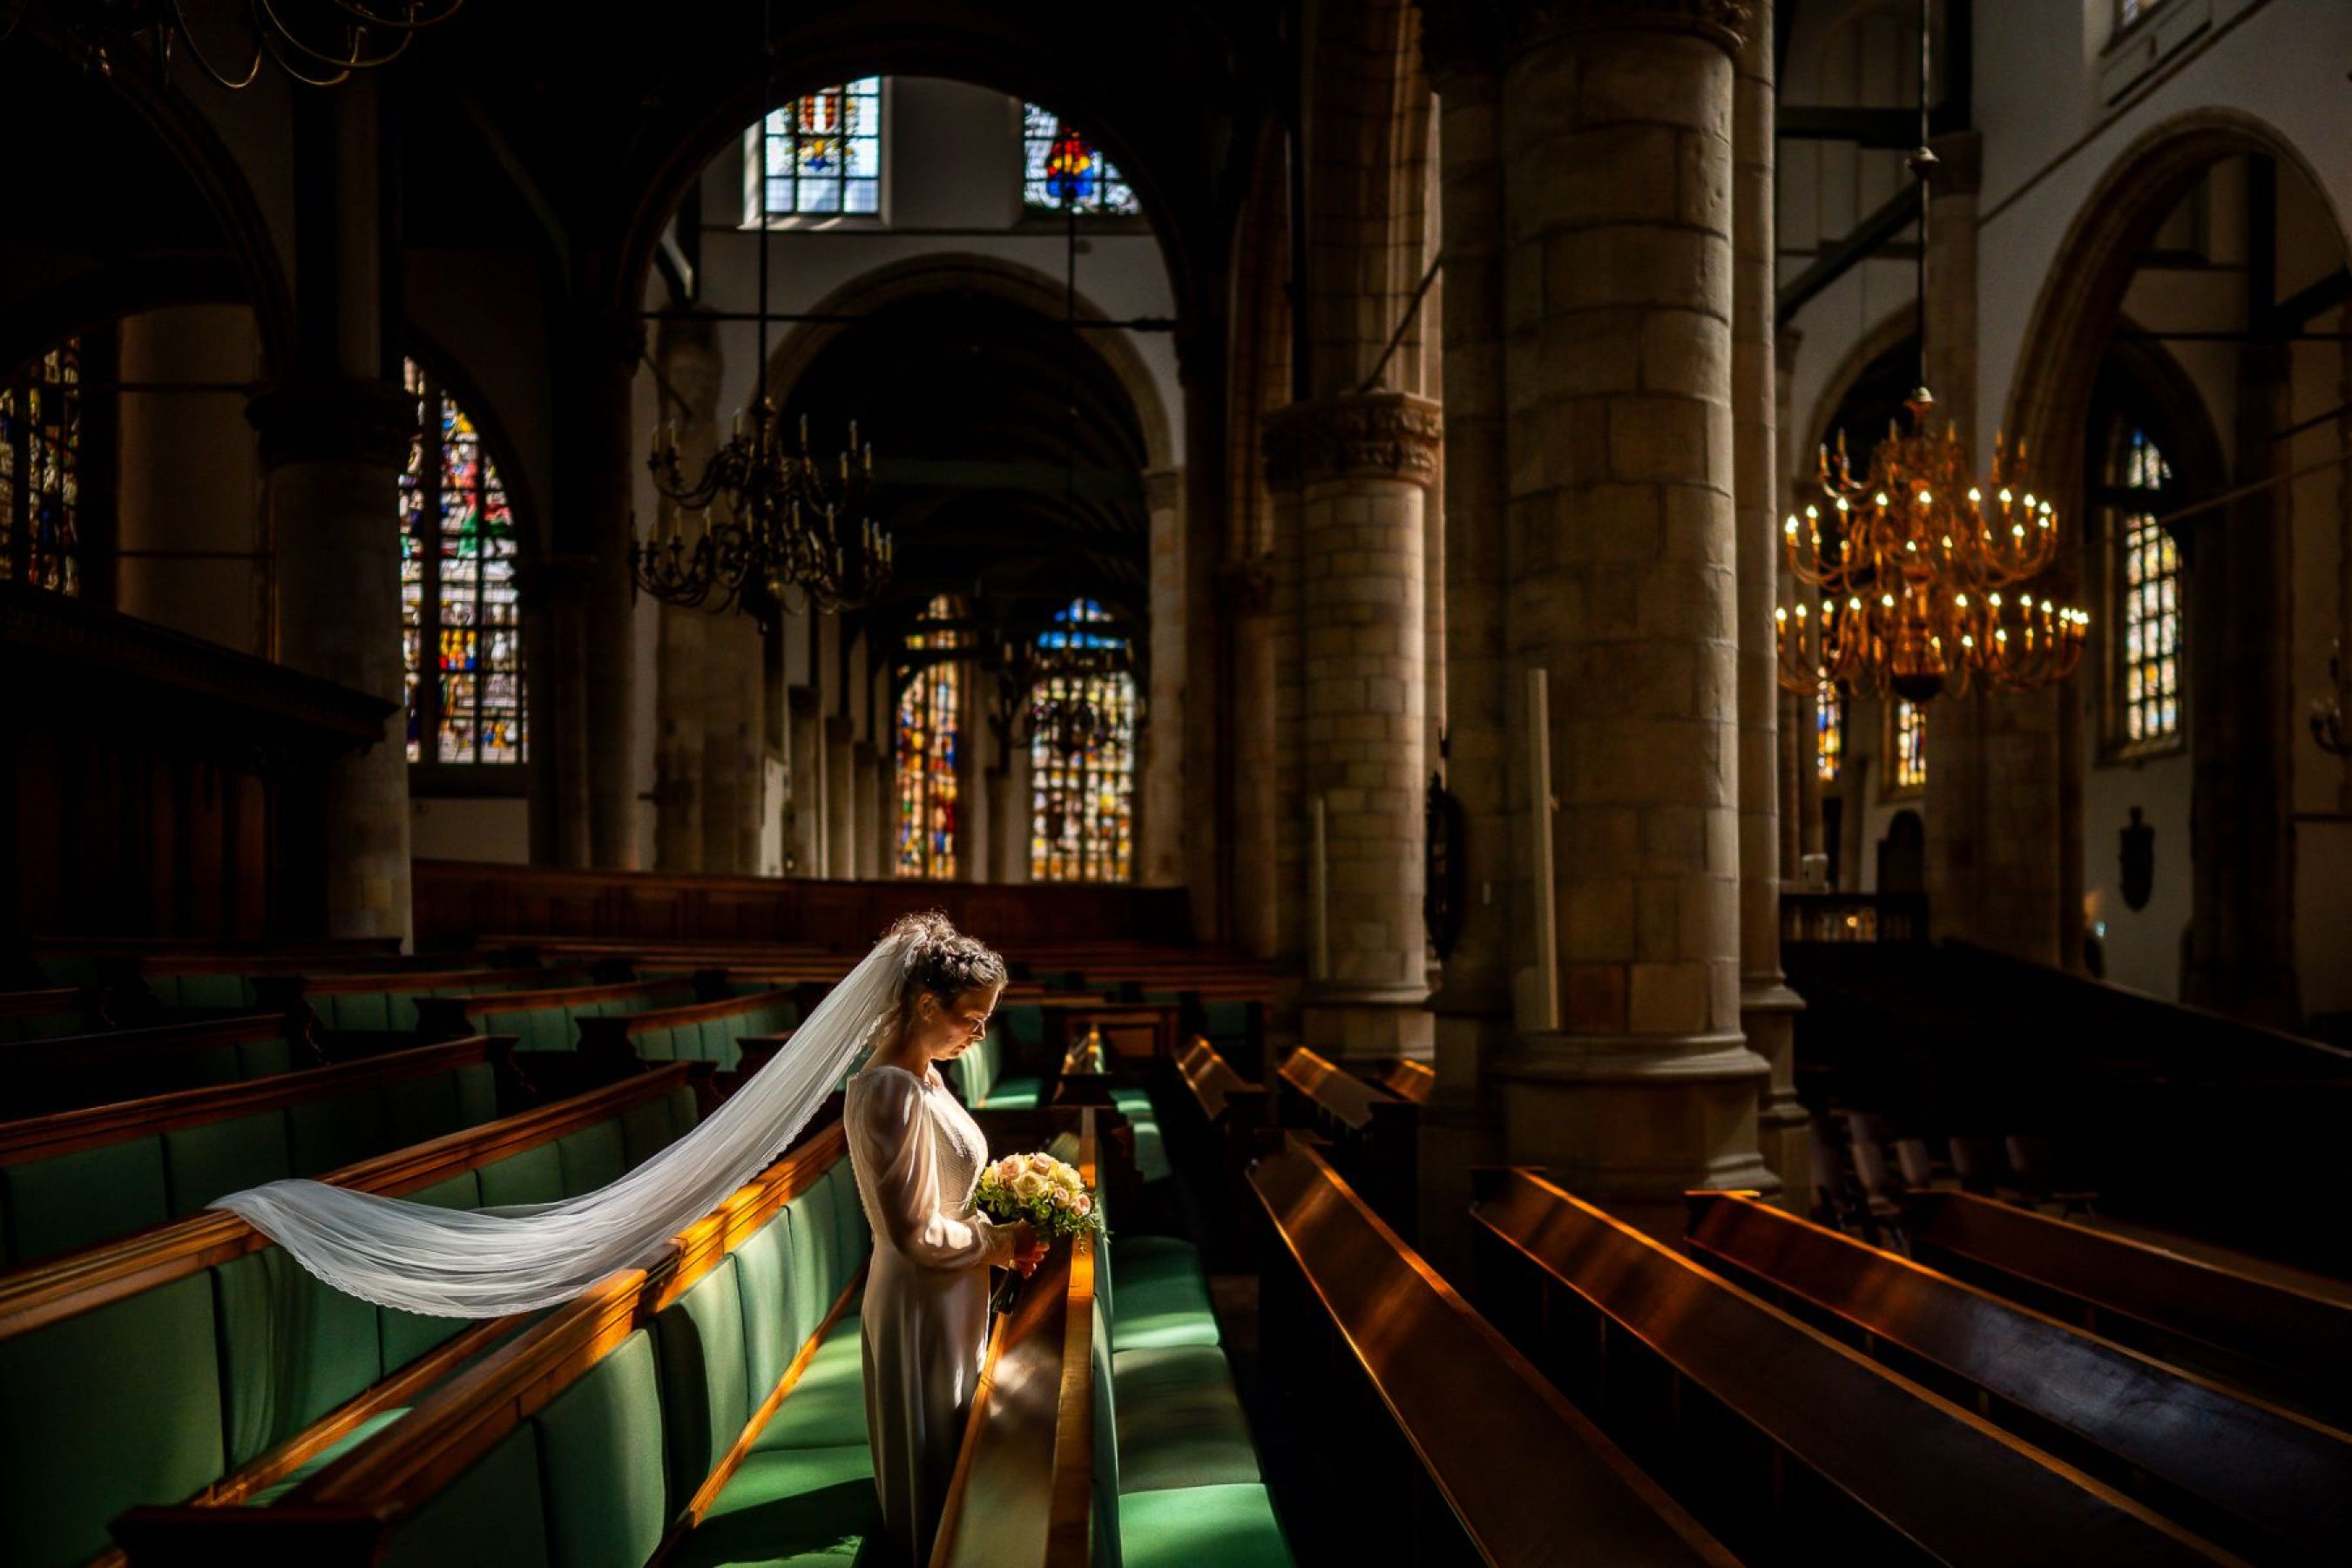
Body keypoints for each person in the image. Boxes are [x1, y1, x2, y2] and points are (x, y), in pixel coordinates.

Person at [845, 912, 1048, 1563]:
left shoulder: (926, 1074)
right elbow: (914, 1233)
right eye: (973, 1015)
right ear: (927, 1003)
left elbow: (947, 1191)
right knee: (929, 1481)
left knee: (952, 1463)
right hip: (920, 1302)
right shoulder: (888, 1091)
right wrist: (1000, 1241)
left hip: (952, 1293)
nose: (982, 1030)